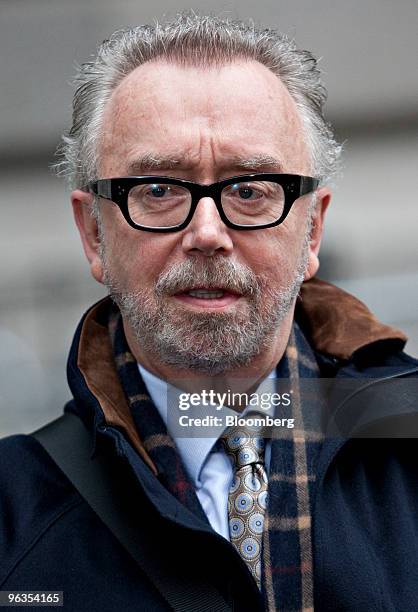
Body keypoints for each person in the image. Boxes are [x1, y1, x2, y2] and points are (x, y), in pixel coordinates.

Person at [1, 12, 417, 612]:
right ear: (94, 232)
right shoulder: (15, 517)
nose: (207, 232)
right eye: (159, 189)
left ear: (312, 231)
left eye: (249, 190)